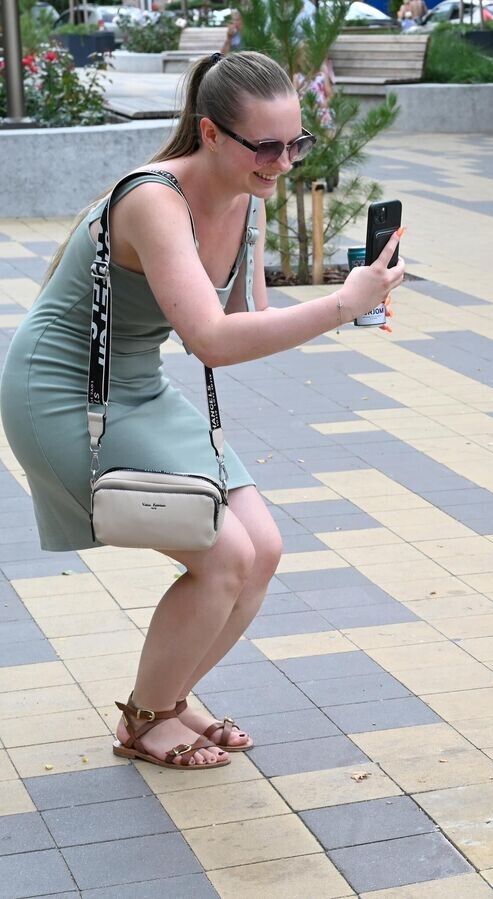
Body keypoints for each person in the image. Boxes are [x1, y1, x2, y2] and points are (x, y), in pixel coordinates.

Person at [0, 51, 405, 770]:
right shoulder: (153, 199)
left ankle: (171, 693)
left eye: (295, 143)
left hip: (137, 382)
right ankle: (146, 719)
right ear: (212, 133)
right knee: (225, 559)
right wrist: (344, 302)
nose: (284, 163)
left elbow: (244, 323)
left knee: (265, 550)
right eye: (267, 146)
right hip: (64, 392)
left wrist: (354, 302)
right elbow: (211, 339)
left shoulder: (247, 196)